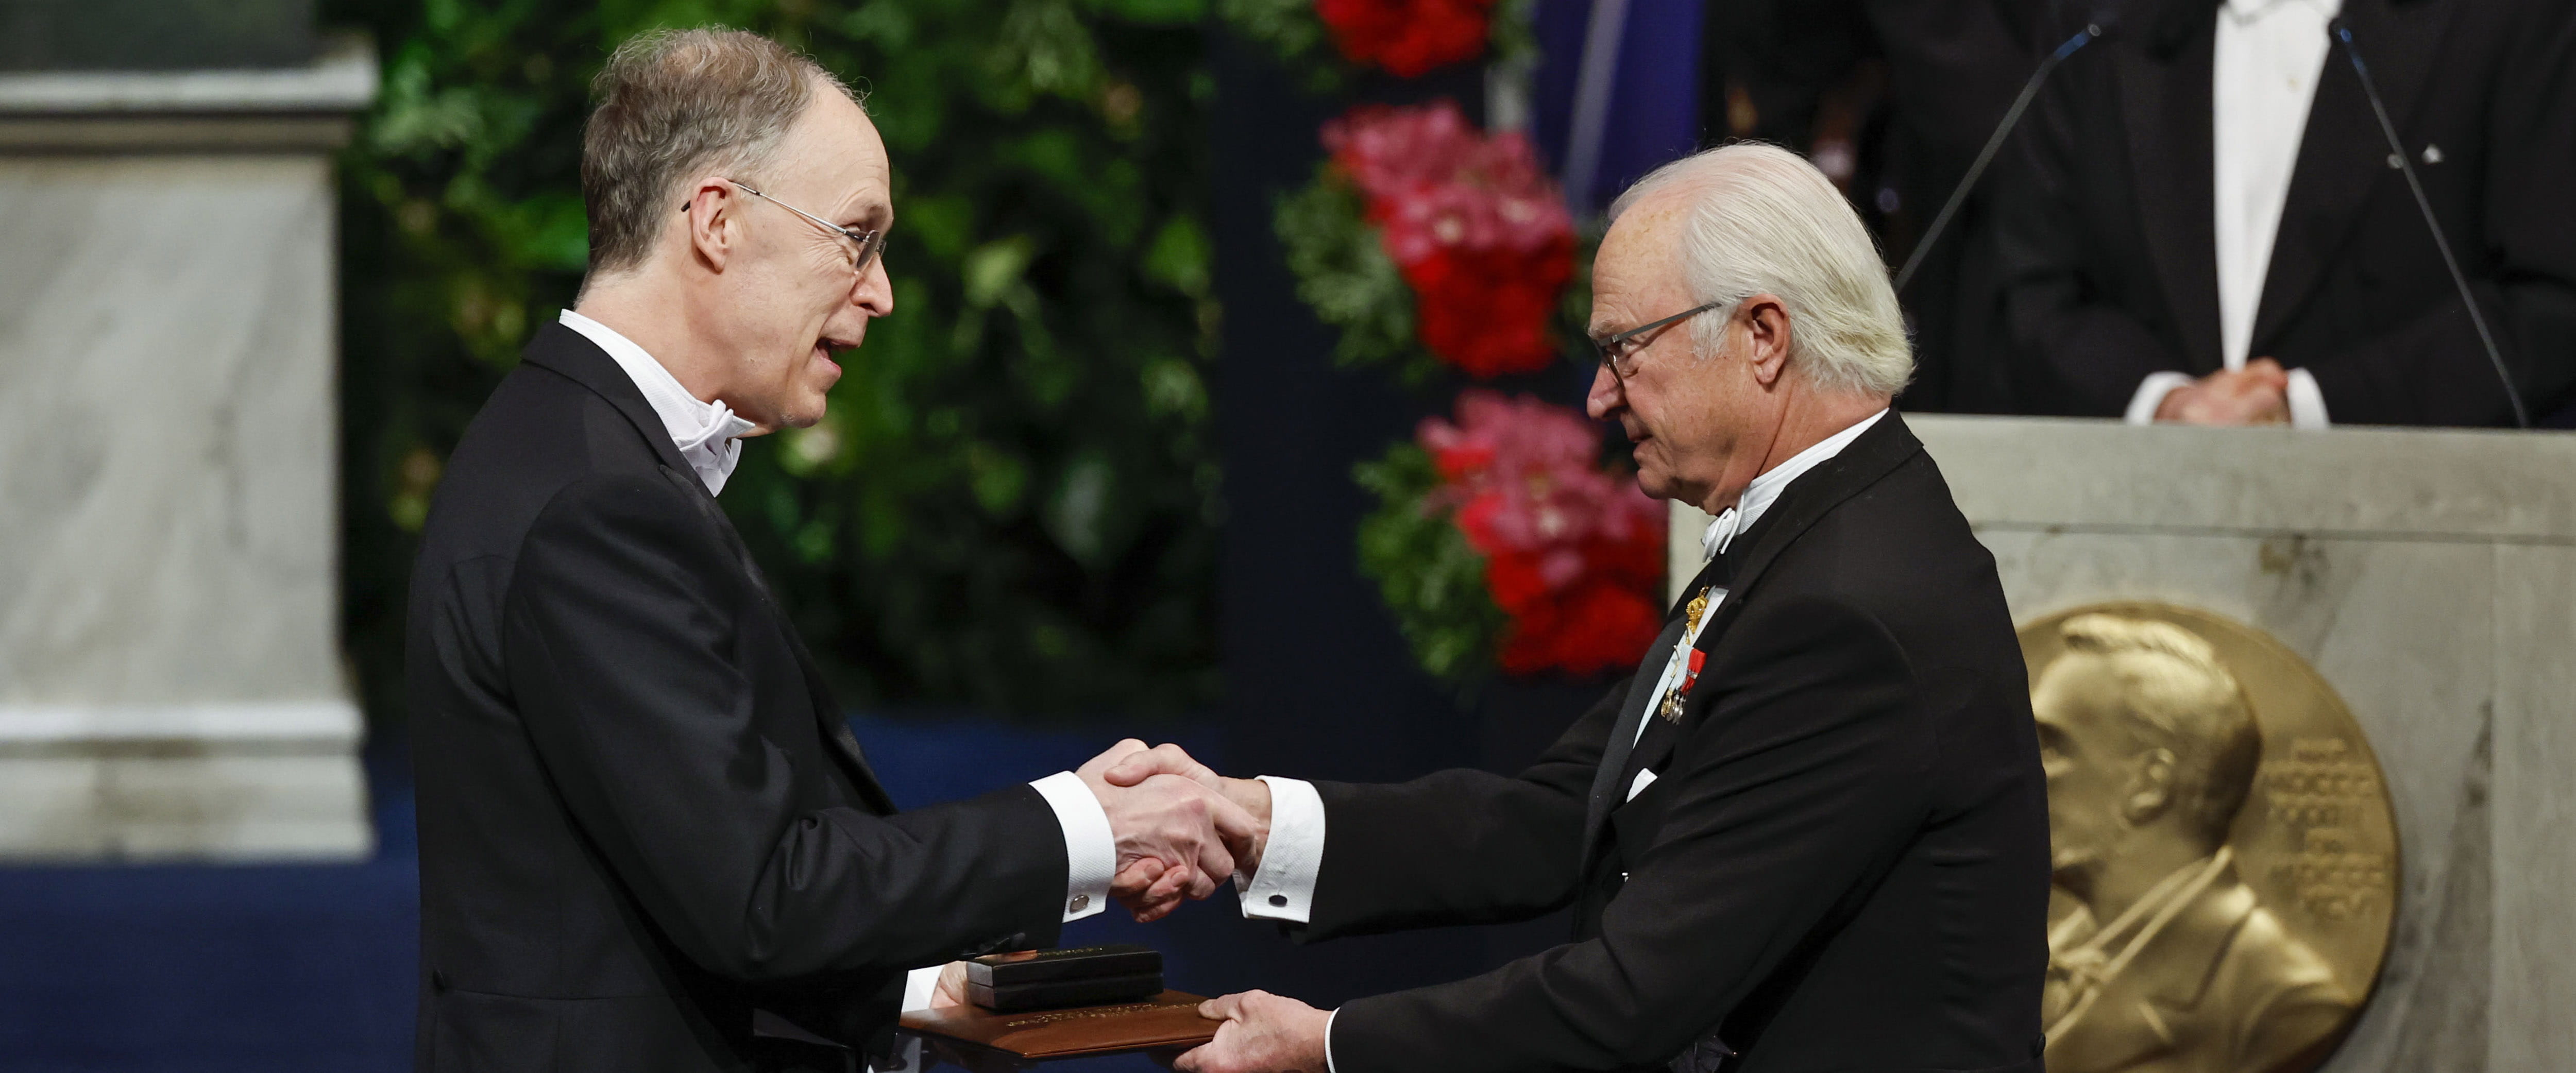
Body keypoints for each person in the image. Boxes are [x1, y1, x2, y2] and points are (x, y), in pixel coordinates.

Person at [403, 28, 1249, 1073]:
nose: (882, 291)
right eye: (856, 237)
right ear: (717, 221)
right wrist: (1084, 824)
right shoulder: (594, 499)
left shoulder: (578, 452)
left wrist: (963, 952)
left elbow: (689, 886)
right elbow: (762, 899)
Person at [1115, 143, 2053, 1073]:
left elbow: (1633, 993)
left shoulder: (1848, 603)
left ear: (1762, 335)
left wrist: (1325, 1044)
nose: (1601, 396)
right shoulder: (1819, 527)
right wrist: (1250, 821)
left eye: (1624, 349)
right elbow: (1566, 814)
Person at [1989, 0, 2576, 427]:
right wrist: (2166, 401)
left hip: (2428, 521)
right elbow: (2038, 291)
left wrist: (2303, 405)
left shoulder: (2508, 20)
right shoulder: (2100, 25)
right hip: (2138, 517)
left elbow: (2548, 299)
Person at [2032, 615, 2351, 1073]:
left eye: (2049, 750)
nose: (2013, 774)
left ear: (2148, 784)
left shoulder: (2287, 1008)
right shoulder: (2027, 964)